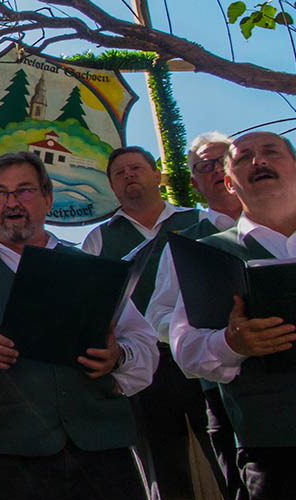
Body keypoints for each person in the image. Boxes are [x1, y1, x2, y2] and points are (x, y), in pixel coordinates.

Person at [0, 151, 158, 500]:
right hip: (10, 457)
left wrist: (118, 357)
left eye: (24, 191)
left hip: (103, 451)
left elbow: (144, 344)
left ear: (47, 199)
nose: (11, 202)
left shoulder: (88, 266)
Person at [82, 145, 216, 500]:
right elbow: (93, 307)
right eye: (119, 173)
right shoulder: (99, 239)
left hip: (203, 354)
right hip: (140, 363)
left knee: (222, 451)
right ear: (112, 186)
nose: (128, 175)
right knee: (161, 465)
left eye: (136, 167)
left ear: (157, 174)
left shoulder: (200, 222)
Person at [169, 131, 296, 499]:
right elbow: (185, 349)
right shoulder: (206, 256)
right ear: (228, 182)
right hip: (274, 455)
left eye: (271, 152)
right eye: (244, 158)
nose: (259, 161)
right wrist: (231, 343)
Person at [145, 132, 245, 500]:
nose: (217, 171)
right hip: (224, 394)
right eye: (206, 166)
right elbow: (159, 316)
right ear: (194, 182)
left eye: (224, 161)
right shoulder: (187, 243)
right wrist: (213, 338)